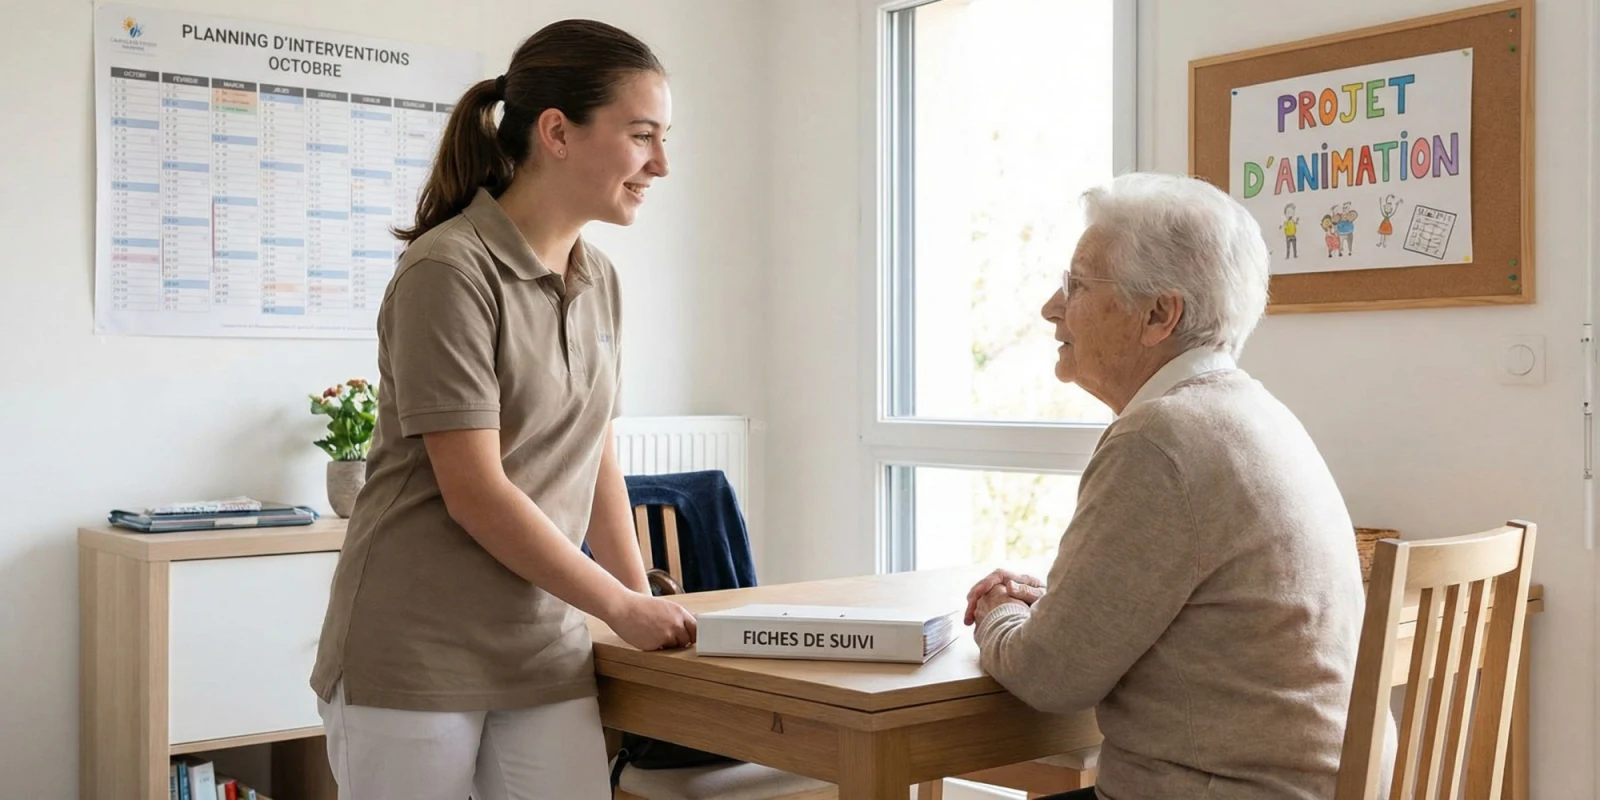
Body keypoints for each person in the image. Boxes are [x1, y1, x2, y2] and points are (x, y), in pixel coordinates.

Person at [309, 19, 694, 800]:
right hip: (415, 651)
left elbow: (597, 456)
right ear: (557, 131)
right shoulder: (448, 269)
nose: (661, 163)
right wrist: (617, 605)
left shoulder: (600, 279)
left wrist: (639, 598)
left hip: (544, 648)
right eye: (642, 135)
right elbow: (476, 492)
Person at [963, 173, 1393, 800]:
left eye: (1076, 286)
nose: (1052, 309)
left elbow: (1050, 678)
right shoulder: (1255, 411)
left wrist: (998, 609)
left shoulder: (1160, 438)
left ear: (1159, 315)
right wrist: (1060, 603)